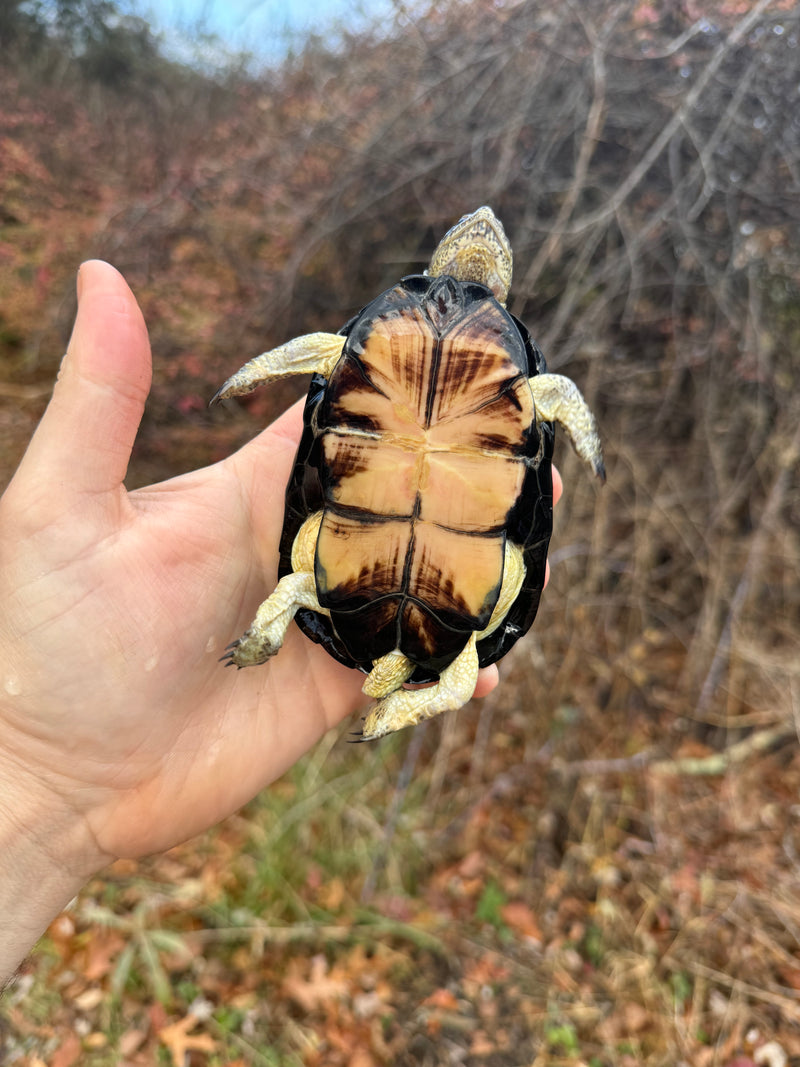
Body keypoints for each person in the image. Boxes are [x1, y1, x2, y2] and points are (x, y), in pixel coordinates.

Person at [0, 260, 561, 987]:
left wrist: (34, 780)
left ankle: (379, 679)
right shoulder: (511, 376)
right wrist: (34, 775)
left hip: (372, 563)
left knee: (313, 590)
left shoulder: (374, 344)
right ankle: (391, 683)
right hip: (446, 573)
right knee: (423, 647)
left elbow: (328, 354)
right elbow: (549, 407)